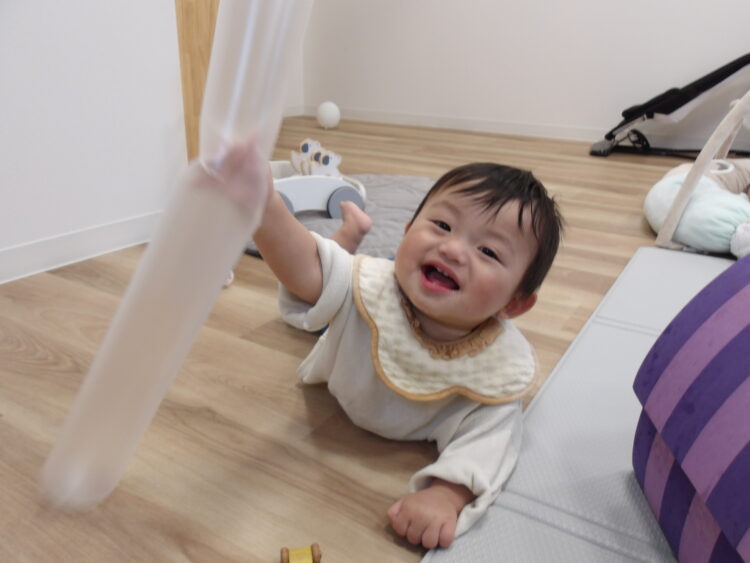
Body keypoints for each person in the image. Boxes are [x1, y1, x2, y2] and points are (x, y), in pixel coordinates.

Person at [251, 145, 563, 550]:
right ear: (407, 230)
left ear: (514, 304)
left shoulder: (495, 370)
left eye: (488, 251)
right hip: (364, 311)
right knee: (316, 295)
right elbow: (307, 270)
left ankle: (351, 234)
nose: (452, 249)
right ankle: (348, 237)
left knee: (330, 291)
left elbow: (490, 444)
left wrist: (446, 495)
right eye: (442, 225)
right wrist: (263, 205)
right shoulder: (369, 289)